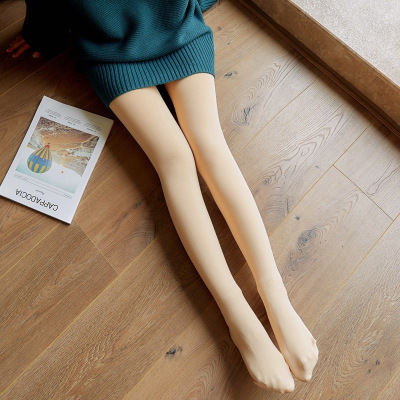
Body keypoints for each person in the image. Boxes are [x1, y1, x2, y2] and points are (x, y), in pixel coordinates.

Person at [6, 0, 318, 393]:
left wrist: (40, 35)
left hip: (175, 23)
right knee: (175, 159)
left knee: (209, 146)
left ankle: (275, 295)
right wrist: (40, 35)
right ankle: (237, 313)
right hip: (110, 45)